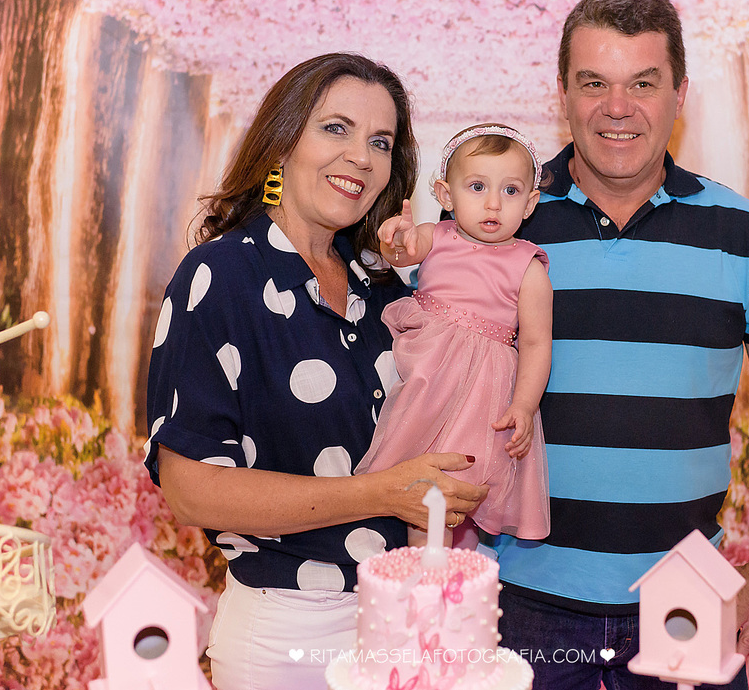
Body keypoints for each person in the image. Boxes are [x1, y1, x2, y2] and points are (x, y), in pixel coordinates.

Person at [491, 0, 749, 690]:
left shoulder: (747, 236)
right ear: (563, 93)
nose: (617, 107)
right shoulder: (498, 225)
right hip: (518, 607)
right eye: (595, 83)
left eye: (642, 83)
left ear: (680, 93)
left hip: (689, 603)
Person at [143, 53, 489, 690]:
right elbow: (190, 490)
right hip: (286, 633)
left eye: (380, 142)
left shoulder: (382, 288)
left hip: (401, 620)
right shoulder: (220, 276)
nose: (361, 157)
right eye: (336, 129)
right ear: (282, 143)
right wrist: (378, 493)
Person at [356, 124, 554, 549]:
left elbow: (536, 343)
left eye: (511, 190)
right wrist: (395, 239)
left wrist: (524, 404)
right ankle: (419, 561)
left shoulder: (529, 267)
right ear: (446, 195)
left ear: (530, 204)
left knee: (458, 477)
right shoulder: (438, 235)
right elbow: (401, 254)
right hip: (428, 370)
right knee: (415, 468)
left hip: (481, 387)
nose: (493, 203)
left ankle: (446, 566)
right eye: (477, 186)